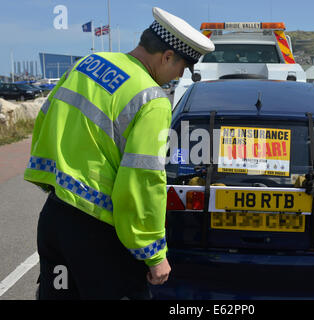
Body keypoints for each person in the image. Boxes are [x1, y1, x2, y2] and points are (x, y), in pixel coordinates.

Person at [24, 7, 214, 300]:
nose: (179, 75)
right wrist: (153, 253)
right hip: (100, 236)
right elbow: (142, 181)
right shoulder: (152, 100)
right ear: (167, 56)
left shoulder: (87, 64)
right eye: (182, 67)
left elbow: (47, 119)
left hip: (55, 217)